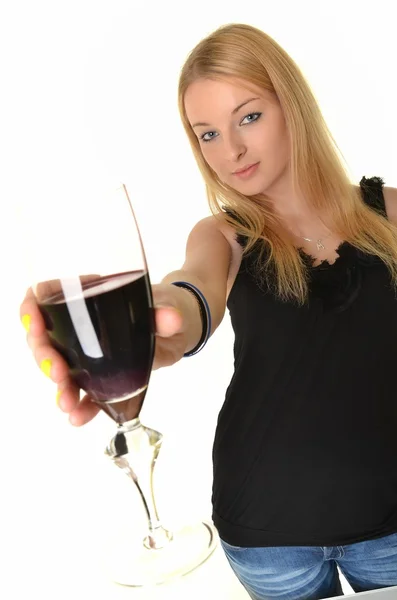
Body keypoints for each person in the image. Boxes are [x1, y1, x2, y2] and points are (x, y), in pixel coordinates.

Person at [20, 22, 397, 600]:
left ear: (290, 104)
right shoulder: (224, 236)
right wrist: (154, 322)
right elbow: (190, 295)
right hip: (268, 532)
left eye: (248, 117)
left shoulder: (390, 214)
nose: (232, 150)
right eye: (207, 134)